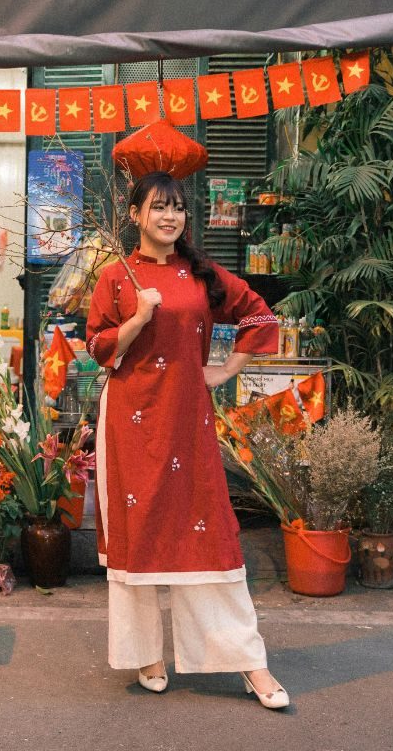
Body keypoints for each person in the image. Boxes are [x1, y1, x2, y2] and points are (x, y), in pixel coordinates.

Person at [86, 171, 288, 708]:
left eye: (176, 208)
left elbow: (259, 314)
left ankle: (250, 663)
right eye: (158, 207)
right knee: (141, 529)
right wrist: (139, 316)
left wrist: (223, 370)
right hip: (129, 419)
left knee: (210, 534)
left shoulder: (202, 274)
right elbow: (100, 347)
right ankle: (146, 653)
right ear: (135, 215)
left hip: (187, 422)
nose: (169, 217)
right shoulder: (115, 277)